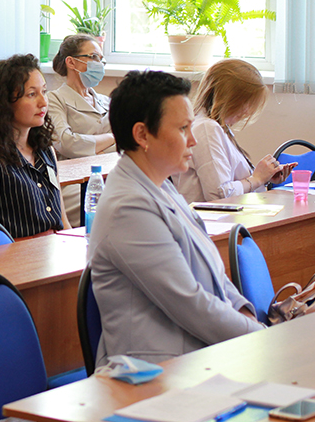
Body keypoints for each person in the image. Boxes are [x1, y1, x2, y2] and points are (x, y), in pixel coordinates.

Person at [88, 70, 262, 365]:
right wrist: (262, 336)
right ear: (142, 135)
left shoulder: (163, 187)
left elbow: (215, 276)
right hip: (155, 371)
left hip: (196, 358)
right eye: (183, 129)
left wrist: (245, 313)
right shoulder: (127, 209)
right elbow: (191, 304)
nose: (193, 140)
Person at [0, 53, 71, 238]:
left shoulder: (46, 151)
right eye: (32, 94)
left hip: (56, 249)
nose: (43, 102)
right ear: (4, 103)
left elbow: (62, 222)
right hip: (17, 254)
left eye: (44, 91)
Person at [173, 58, 293, 203]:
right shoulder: (206, 128)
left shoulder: (218, 128)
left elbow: (233, 182)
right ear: (229, 98)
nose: (247, 111)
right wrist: (257, 179)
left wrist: (265, 177)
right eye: (246, 103)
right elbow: (220, 195)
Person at [47, 34, 116, 222]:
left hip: (109, 175)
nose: (99, 64)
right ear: (71, 62)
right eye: (93, 57)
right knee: (116, 206)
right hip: (74, 182)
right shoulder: (55, 99)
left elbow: (126, 143)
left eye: (101, 59)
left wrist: (93, 147)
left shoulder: (106, 101)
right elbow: (67, 143)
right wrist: (113, 137)